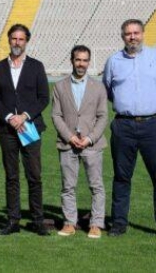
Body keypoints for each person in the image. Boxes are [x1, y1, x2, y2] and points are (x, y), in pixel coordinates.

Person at [103, 19, 156, 239]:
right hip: (123, 125)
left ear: (143, 34)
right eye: (128, 34)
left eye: (136, 33)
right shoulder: (113, 61)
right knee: (121, 177)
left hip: (154, 125)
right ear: (122, 36)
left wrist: (152, 105)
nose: (132, 37)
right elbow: (108, 90)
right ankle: (118, 223)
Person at [0, 24, 50, 236]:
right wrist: (9, 117)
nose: (17, 42)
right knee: (11, 176)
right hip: (7, 130)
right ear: (9, 40)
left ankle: (37, 220)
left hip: (30, 128)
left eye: (21, 39)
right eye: (14, 39)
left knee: (34, 176)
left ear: (26, 41)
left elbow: (44, 98)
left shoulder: (36, 66)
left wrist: (24, 115)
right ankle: (13, 221)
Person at [51, 45, 108, 239]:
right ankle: (69, 222)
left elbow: (102, 117)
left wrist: (90, 138)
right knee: (68, 186)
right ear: (72, 61)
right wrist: (70, 137)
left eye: (85, 60)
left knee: (96, 186)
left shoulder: (98, 87)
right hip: (68, 144)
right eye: (78, 60)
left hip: (92, 145)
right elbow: (56, 115)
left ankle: (96, 223)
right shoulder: (59, 86)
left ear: (89, 62)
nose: (81, 64)